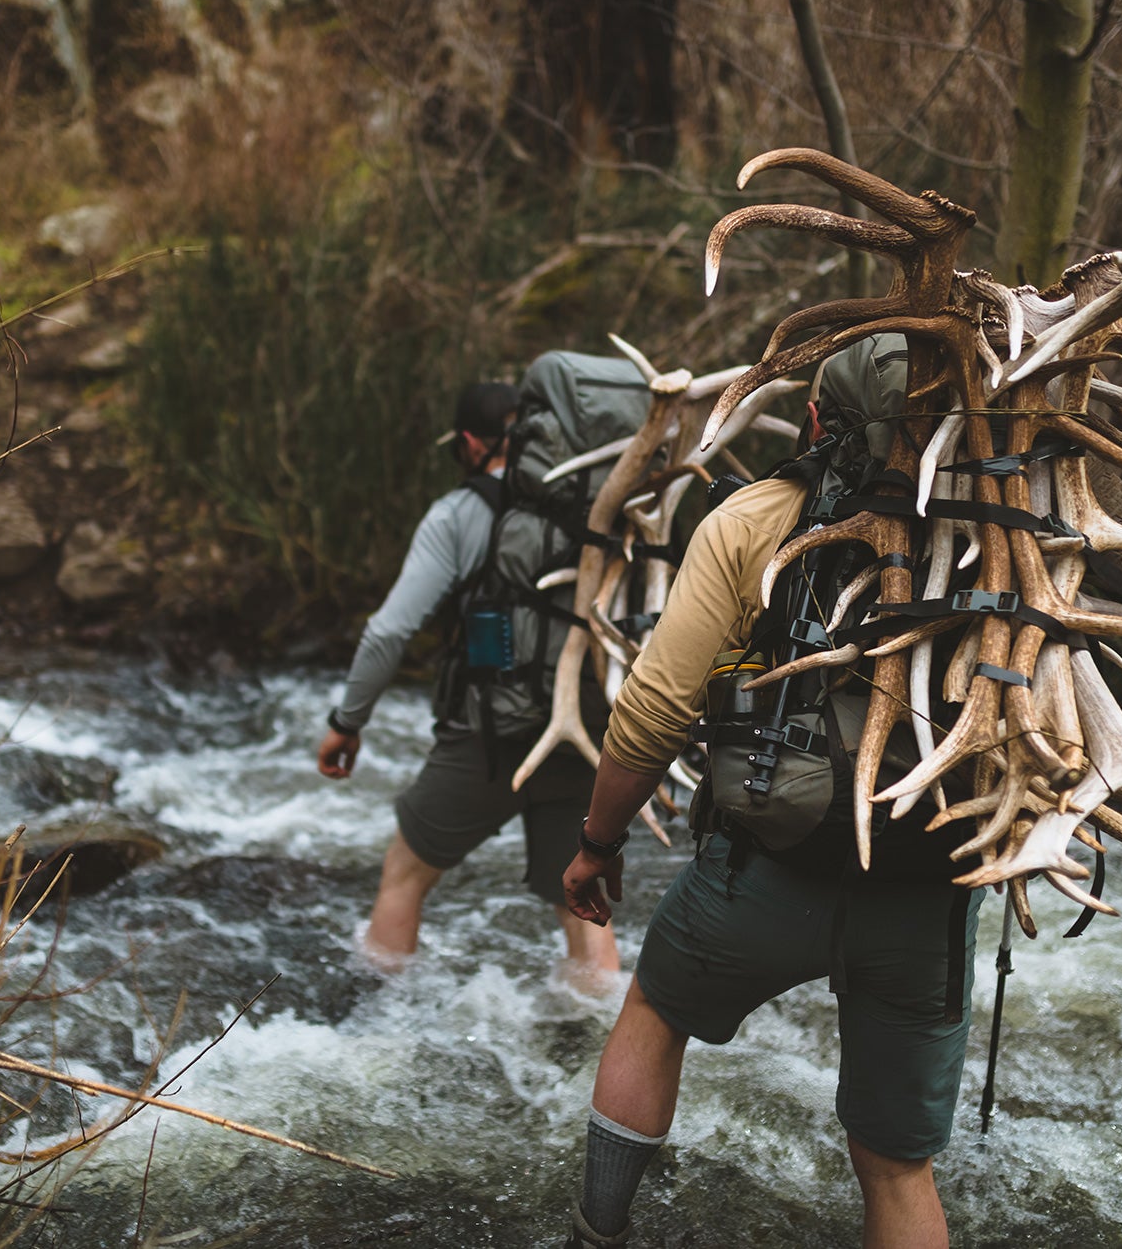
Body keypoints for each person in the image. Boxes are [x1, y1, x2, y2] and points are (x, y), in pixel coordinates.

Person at [558, 453, 983, 1248]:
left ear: (822, 414)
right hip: (928, 885)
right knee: (896, 1168)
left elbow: (655, 708)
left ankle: (598, 1232)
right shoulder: (1008, 522)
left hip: (765, 865)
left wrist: (598, 842)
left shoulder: (757, 516)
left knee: (654, 1010)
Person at [316, 381, 620, 978]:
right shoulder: (598, 505)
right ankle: (599, 1034)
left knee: (404, 873)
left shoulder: (458, 512)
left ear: (470, 443)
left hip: (489, 734)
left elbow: (389, 633)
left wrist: (346, 723)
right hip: (586, 726)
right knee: (581, 899)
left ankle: (378, 1022)